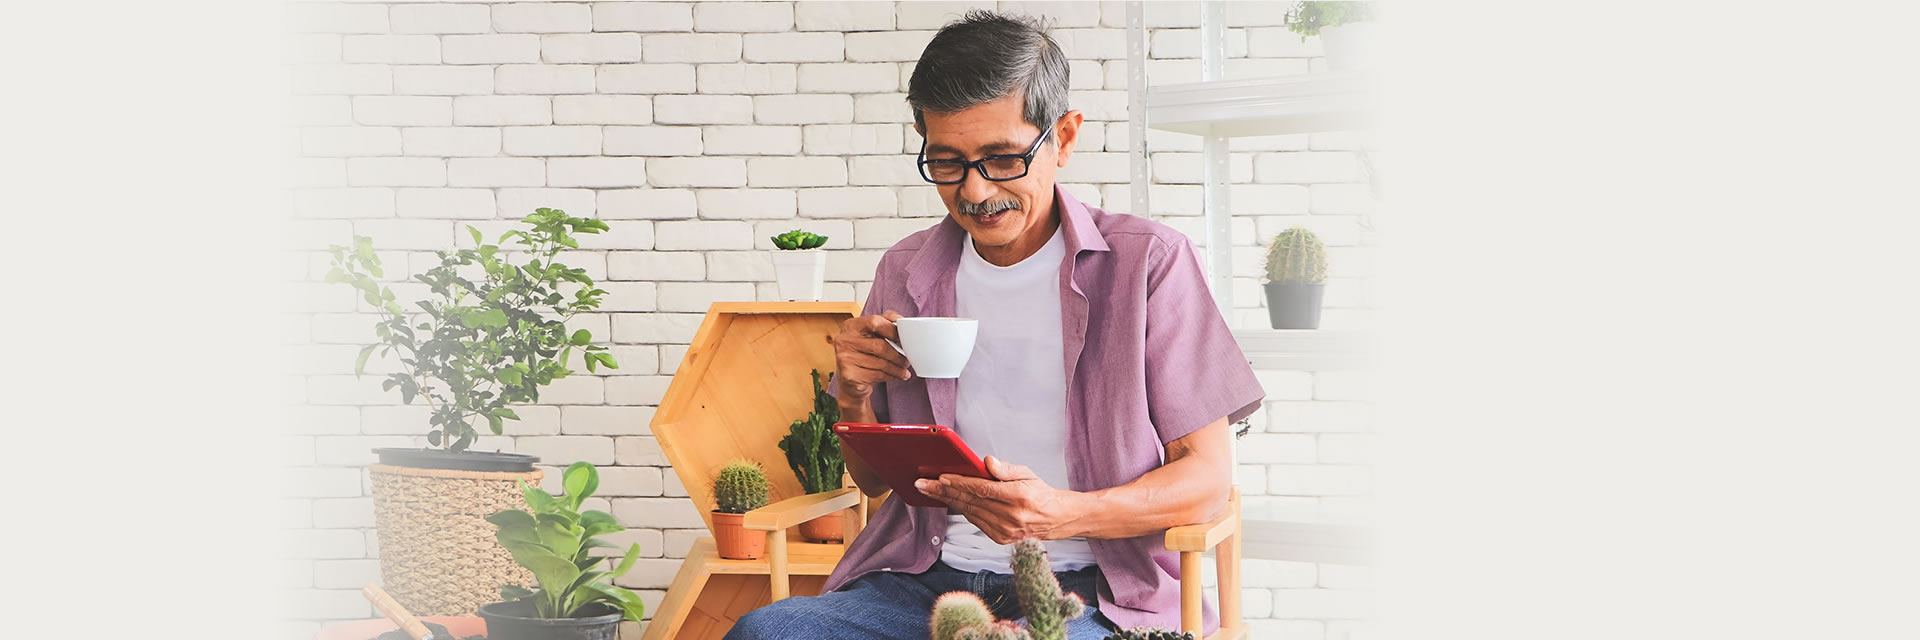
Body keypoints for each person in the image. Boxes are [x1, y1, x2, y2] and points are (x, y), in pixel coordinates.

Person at [725, 11, 1264, 639]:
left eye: (1002, 158)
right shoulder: (907, 268)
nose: (976, 193)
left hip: (1095, 590)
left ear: (1063, 138)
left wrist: (1061, 516)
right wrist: (852, 393)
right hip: (922, 577)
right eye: (947, 162)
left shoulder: (1149, 263)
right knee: (765, 633)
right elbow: (873, 482)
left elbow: (1206, 479)